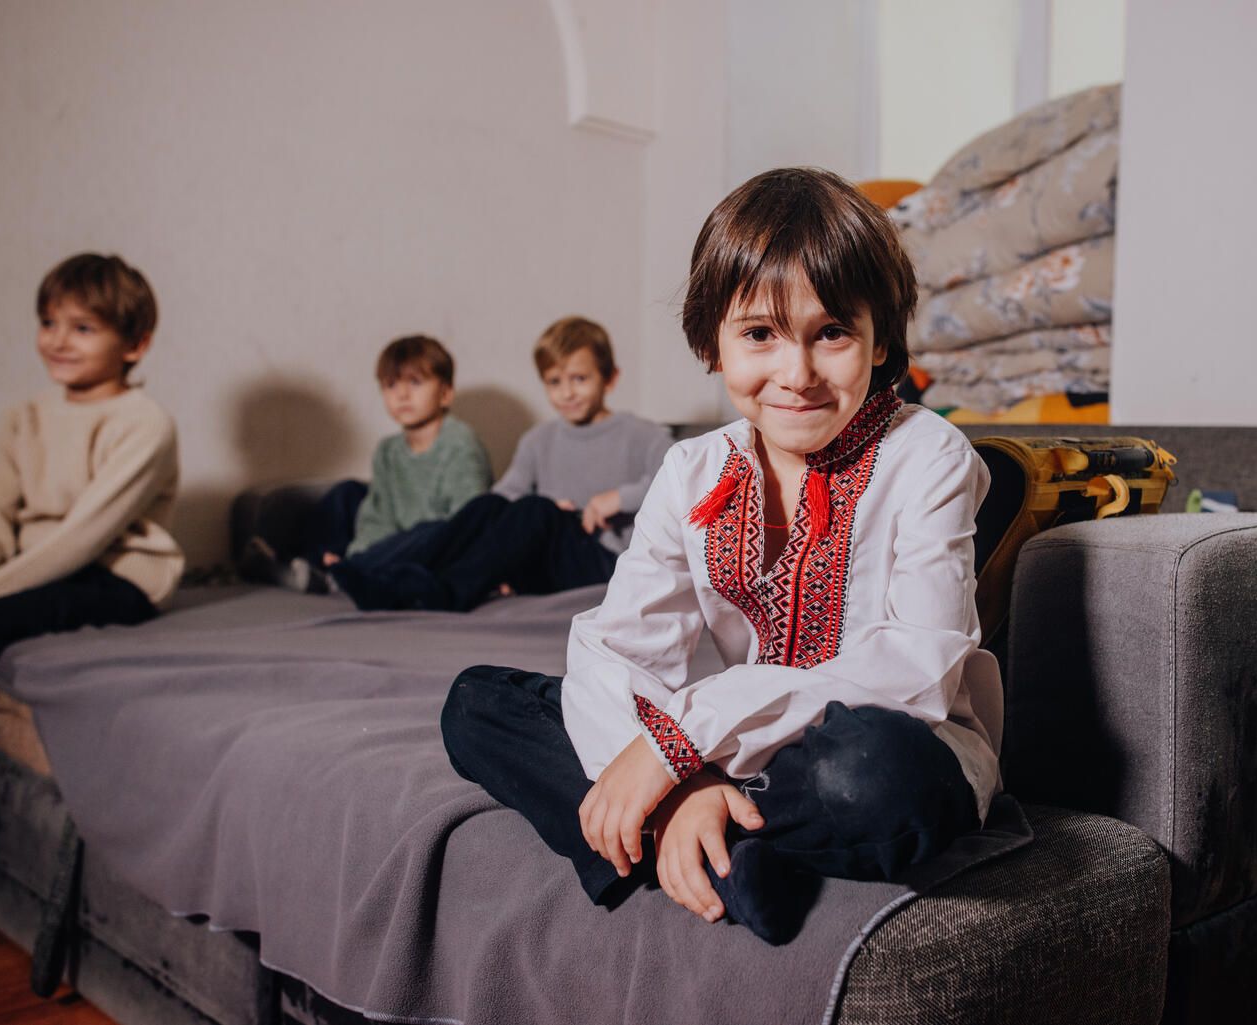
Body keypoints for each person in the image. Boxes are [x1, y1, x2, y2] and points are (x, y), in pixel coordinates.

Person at [440, 167, 1027, 944]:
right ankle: (711, 836)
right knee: (478, 704)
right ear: (711, 340)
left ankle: (681, 835)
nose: (797, 374)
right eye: (759, 334)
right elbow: (617, 645)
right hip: (729, 757)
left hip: (874, 748)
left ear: (880, 338)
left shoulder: (930, 456)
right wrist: (682, 781)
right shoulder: (693, 469)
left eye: (832, 332)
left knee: (876, 776)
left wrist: (681, 741)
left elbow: (916, 671)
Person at [0, 253, 182, 753]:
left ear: (135, 345)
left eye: (83, 328)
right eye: (49, 323)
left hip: (113, 575)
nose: (58, 341)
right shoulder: (22, 417)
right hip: (32, 568)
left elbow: (84, 537)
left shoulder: (144, 423)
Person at [330, 316, 671, 611]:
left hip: (605, 561)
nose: (567, 393)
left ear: (610, 378)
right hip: (547, 557)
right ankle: (386, 571)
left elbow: (682, 482)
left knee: (536, 510)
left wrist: (617, 498)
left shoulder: (641, 433)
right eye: (554, 381)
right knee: (490, 505)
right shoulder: (538, 440)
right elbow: (505, 494)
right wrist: (535, 512)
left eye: (579, 379)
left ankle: (445, 592)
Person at [243, 334, 493, 594]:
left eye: (415, 382)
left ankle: (340, 572)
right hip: (390, 541)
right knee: (347, 493)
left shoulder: (460, 445)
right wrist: (361, 552)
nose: (402, 395)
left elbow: (468, 520)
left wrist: (368, 559)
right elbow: (377, 516)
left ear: (445, 394)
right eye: (391, 385)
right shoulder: (388, 450)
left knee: (432, 532)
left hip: (431, 544)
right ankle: (309, 564)